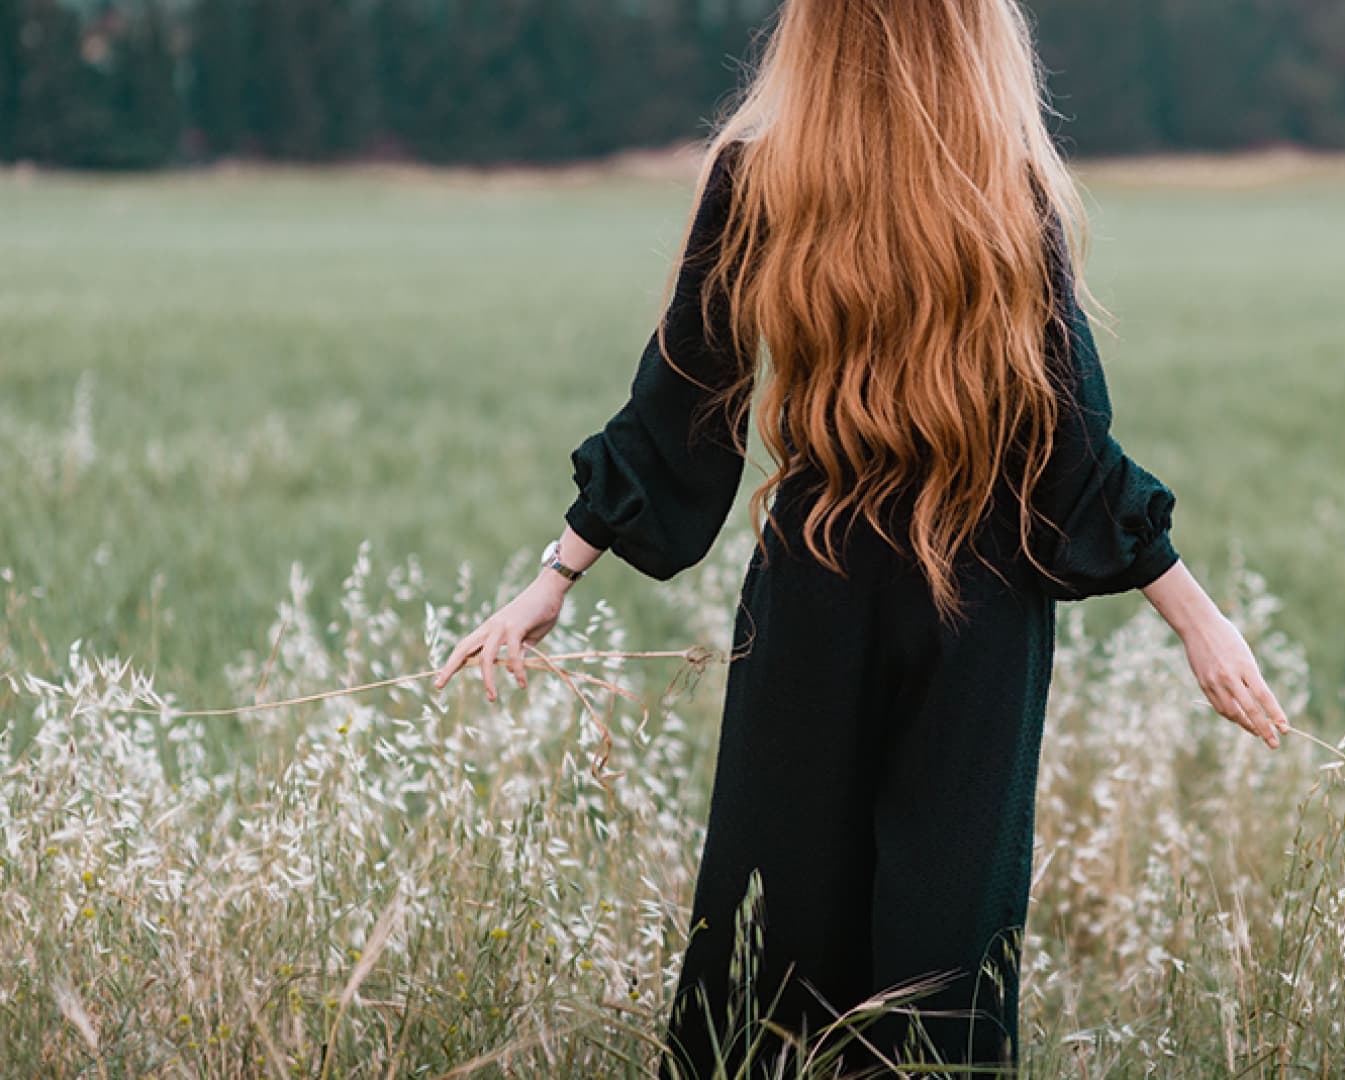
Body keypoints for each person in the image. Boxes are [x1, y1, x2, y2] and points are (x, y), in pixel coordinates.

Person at [432, 0, 1292, 1075]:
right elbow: (1068, 445)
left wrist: (553, 576)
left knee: (772, 941)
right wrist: (1198, 619)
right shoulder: (1002, 186)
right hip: (979, 601)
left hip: (813, 586)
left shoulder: (759, 172)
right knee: (945, 963)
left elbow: (680, 411)